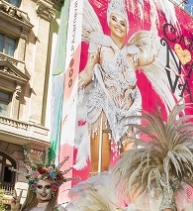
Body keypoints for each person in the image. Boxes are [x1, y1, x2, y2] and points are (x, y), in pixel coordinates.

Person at [75, 0, 177, 174]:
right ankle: (96, 199)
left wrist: (154, 23)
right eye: (114, 19)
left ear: (128, 27)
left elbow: (152, 53)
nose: (118, 25)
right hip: (102, 105)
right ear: (108, 20)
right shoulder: (100, 42)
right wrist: (72, 90)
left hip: (128, 112)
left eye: (123, 22)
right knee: (100, 166)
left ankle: (130, 200)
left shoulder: (132, 54)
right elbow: (87, 72)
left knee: (131, 168)